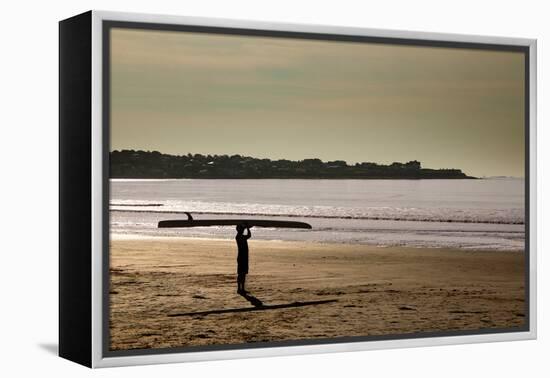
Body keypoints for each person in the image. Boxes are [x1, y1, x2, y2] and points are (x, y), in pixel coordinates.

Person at [235, 223, 252, 293]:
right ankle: (240, 289)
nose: (242, 230)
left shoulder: (239, 236)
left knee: (242, 273)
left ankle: (241, 289)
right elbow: (249, 235)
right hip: (242, 257)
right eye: (242, 229)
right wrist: (247, 228)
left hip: (243, 256)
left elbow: (248, 235)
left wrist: (246, 228)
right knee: (241, 274)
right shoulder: (239, 237)